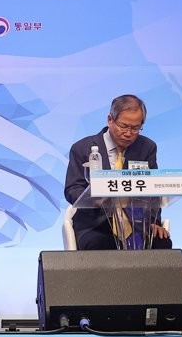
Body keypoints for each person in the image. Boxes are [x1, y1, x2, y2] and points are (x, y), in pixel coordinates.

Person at [64, 94, 172, 250]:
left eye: (135, 128)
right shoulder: (82, 148)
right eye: (123, 126)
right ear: (110, 120)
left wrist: (154, 222)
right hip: (95, 224)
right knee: (101, 245)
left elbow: (152, 190)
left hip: (137, 224)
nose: (128, 133)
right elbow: (72, 189)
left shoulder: (147, 147)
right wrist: (93, 200)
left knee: (162, 243)